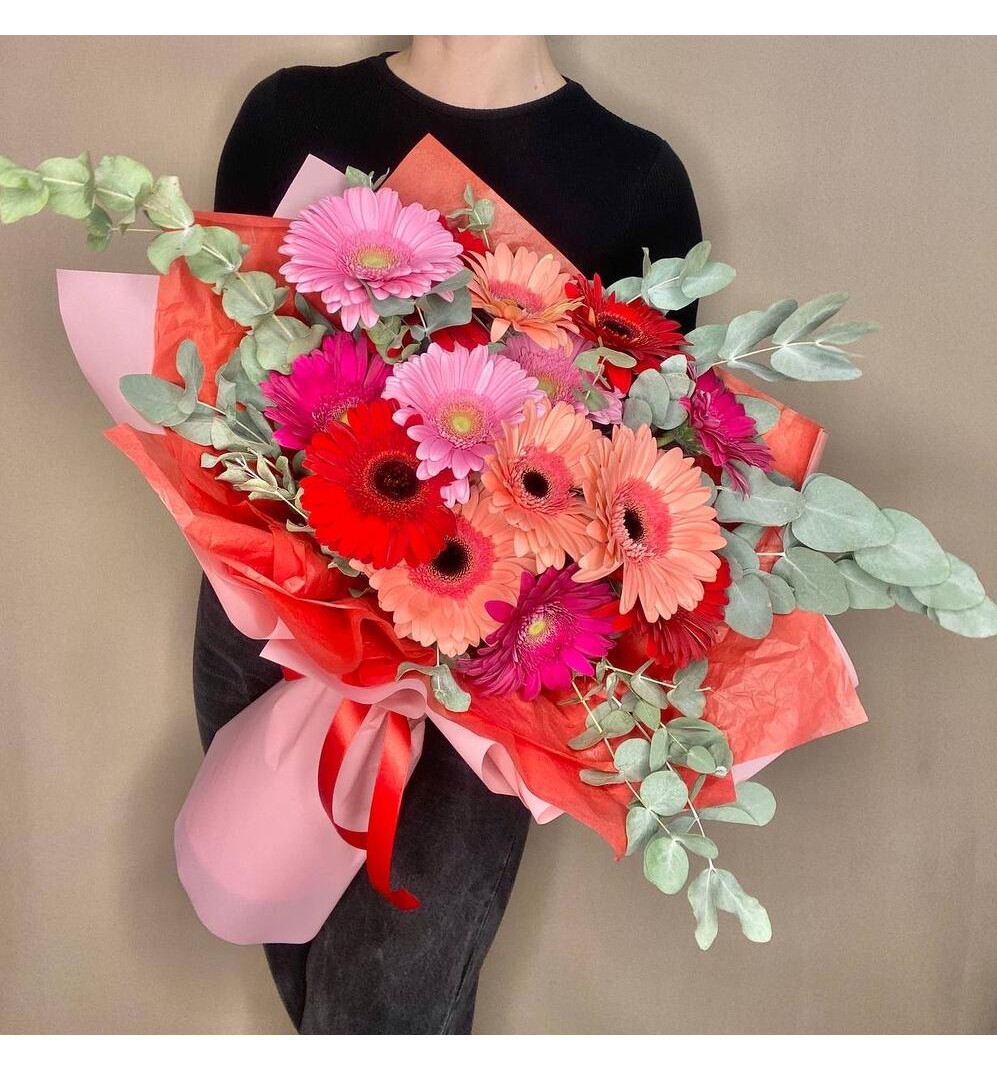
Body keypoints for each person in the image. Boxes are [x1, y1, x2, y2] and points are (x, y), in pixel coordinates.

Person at [193, 35, 702, 1035]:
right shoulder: (289, 114)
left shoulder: (638, 181)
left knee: (386, 1002)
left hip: (489, 663)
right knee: (297, 947)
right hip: (273, 616)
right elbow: (228, 374)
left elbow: (645, 470)